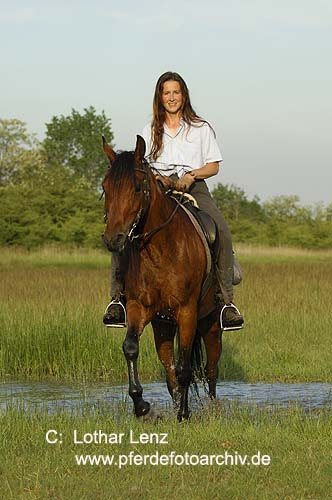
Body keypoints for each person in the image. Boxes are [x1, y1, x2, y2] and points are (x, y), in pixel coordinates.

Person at [103, 71, 243, 329]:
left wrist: (191, 175)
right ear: (159, 97)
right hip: (158, 187)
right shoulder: (149, 130)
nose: (171, 97)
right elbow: (141, 165)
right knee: (122, 230)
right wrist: (159, 178)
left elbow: (213, 166)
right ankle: (118, 300)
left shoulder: (201, 128)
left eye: (176, 92)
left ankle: (226, 303)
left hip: (194, 185)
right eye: (166, 92)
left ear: (184, 95)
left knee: (221, 230)